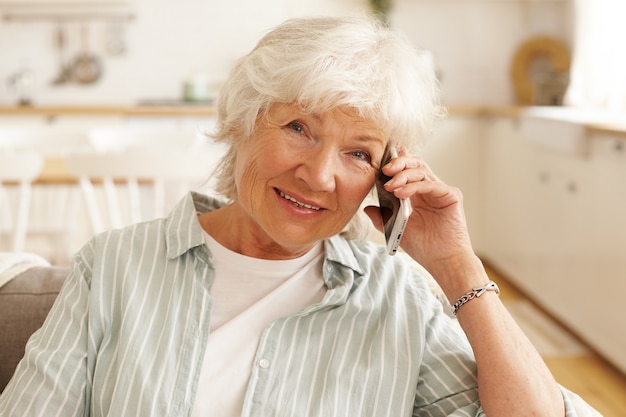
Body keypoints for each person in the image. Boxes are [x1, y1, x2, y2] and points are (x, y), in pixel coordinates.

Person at [0, 15, 600, 417]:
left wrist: (458, 268)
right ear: (242, 121)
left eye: (358, 153)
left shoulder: (396, 299)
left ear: (385, 176)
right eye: (298, 129)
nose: (319, 175)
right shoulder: (111, 266)